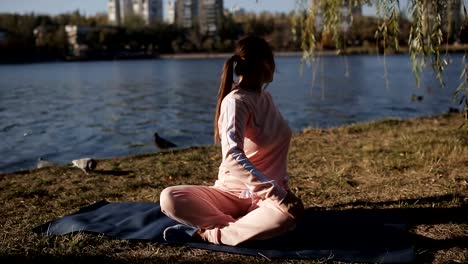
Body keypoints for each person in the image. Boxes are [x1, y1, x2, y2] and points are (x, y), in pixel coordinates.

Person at [159, 35, 304, 246]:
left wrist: (278, 193)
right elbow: (232, 157)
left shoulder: (265, 98)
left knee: (287, 218)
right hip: (230, 194)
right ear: (265, 62)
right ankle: (230, 230)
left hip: (264, 200)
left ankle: (208, 233)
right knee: (169, 198)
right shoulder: (235, 102)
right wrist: (279, 195)